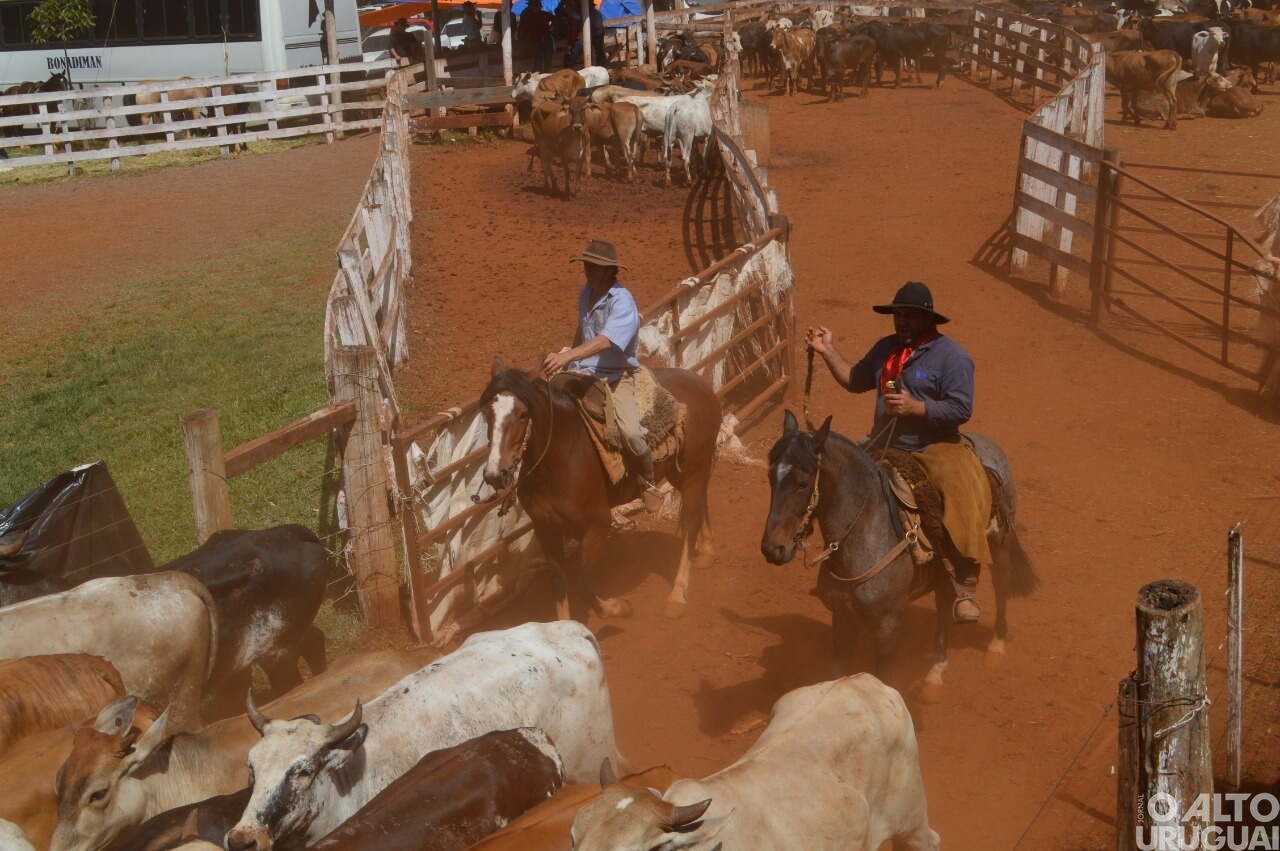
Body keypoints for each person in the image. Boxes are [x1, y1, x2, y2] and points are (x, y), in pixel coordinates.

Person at [805, 281, 991, 624]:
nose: (901, 321)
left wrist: (916, 408)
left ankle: (963, 578)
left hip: (933, 446)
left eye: (910, 316)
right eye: (898, 315)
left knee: (957, 487)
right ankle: (838, 560)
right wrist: (828, 350)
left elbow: (961, 408)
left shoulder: (951, 356)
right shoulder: (885, 349)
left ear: (927, 318)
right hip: (884, 442)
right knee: (833, 475)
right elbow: (854, 379)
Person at [542, 240, 664, 514]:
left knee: (631, 433)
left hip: (615, 374)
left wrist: (567, 357)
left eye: (596, 268)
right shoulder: (585, 294)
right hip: (584, 370)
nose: (589, 271)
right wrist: (569, 354)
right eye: (587, 265)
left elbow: (606, 340)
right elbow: (583, 330)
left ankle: (648, 482)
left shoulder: (622, 301)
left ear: (611, 272)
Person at [520, 1, 556, 72]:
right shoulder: (527, 15)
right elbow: (524, 28)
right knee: (538, 62)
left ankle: (546, 75)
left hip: (545, 39)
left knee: (547, 62)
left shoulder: (543, 14)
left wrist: (551, 27)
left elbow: (554, 18)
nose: (540, 7)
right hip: (537, 40)